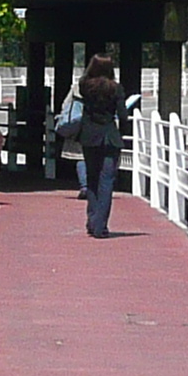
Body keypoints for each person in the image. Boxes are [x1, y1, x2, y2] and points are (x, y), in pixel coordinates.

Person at [74, 53, 125, 238]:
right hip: (109, 137)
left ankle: (92, 219)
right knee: (107, 181)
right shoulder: (116, 89)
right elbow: (123, 115)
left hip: (89, 137)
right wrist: (123, 133)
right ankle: (100, 225)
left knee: (92, 179)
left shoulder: (85, 86)